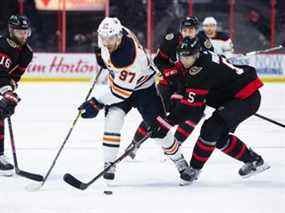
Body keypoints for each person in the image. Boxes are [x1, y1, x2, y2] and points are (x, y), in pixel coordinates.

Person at [79, 17, 188, 182]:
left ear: (119, 36)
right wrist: (104, 60)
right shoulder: (114, 34)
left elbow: (120, 93)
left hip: (144, 89)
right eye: (104, 38)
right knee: (113, 120)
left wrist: (96, 102)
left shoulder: (128, 58)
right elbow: (108, 44)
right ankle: (109, 162)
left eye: (110, 39)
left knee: (159, 130)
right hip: (122, 84)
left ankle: (179, 161)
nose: (107, 42)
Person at [158, 36, 270, 185]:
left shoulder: (200, 70)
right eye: (182, 56)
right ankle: (255, 161)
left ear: (197, 53)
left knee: (211, 129)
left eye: (189, 57)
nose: (184, 60)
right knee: (219, 137)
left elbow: (192, 109)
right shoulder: (201, 58)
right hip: (235, 96)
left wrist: (167, 122)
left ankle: (194, 169)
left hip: (245, 98)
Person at [0, 15, 33, 176]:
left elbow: (14, 76)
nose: (24, 36)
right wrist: (6, 91)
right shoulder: (3, 45)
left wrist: (10, 91)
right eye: (20, 32)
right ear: (11, 31)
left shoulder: (27, 53)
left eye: (26, 32)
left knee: (1, 111)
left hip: (3, 83)